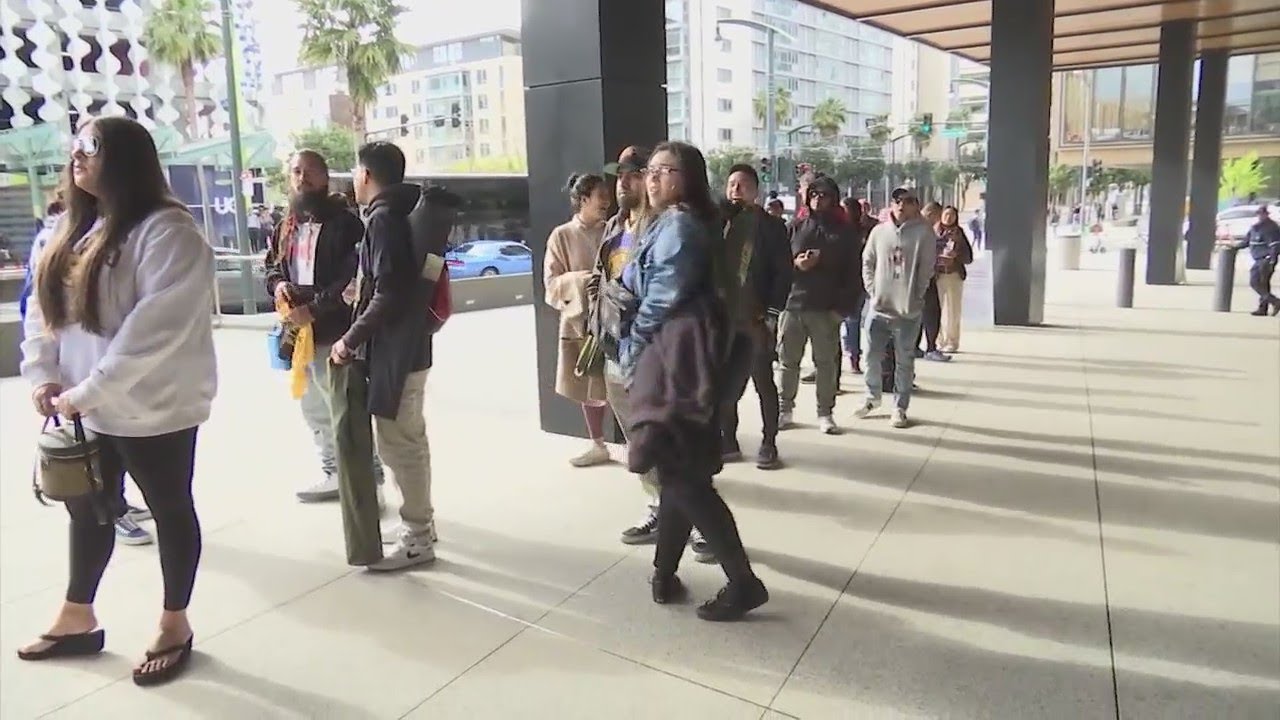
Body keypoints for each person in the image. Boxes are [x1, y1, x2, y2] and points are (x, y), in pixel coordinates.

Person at [18, 116, 216, 686]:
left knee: (169, 506)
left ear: (126, 160)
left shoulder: (169, 232)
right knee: (87, 508)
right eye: (75, 143)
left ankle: (174, 623)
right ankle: (77, 615)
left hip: (156, 409)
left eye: (91, 146)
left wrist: (82, 393)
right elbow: (42, 312)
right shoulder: (68, 227)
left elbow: (153, 334)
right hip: (84, 407)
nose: (76, 154)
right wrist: (42, 378)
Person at [621, 140, 768, 622]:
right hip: (687, 357)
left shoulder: (681, 225)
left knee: (682, 477)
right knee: (680, 474)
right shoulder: (673, 220)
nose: (654, 178)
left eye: (666, 170)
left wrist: (630, 350)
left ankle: (743, 582)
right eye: (652, 170)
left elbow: (661, 297)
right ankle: (664, 572)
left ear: (689, 178)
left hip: (677, 360)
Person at [330, 142, 438, 571]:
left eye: (356, 173)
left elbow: (391, 292)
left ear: (367, 174)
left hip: (396, 353)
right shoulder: (408, 209)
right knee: (410, 439)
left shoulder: (383, 219)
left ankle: (417, 536)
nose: (354, 181)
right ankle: (421, 526)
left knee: (400, 445)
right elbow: (395, 283)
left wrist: (349, 340)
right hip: (413, 348)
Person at [265, 150, 385, 504]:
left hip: (335, 331)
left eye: (311, 172)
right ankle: (333, 471)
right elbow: (271, 267)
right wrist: (279, 287)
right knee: (313, 407)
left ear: (325, 177)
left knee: (344, 407)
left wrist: (315, 309)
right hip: (297, 333)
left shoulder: (347, 224)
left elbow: (352, 278)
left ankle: (368, 479)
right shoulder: (285, 225)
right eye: (297, 172)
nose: (303, 179)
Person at [590, 146, 662, 546]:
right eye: (620, 175)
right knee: (637, 439)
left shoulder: (664, 228)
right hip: (615, 350)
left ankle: (697, 518)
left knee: (669, 439)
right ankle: (658, 506)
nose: (623, 182)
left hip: (652, 353)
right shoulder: (614, 226)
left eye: (632, 174)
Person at [718, 163, 791, 472]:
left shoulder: (771, 226)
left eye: (743, 185)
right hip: (722, 321)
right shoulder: (717, 223)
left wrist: (772, 313)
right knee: (725, 386)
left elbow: (783, 273)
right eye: (732, 184)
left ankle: (769, 441)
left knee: (763, 382)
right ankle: (728, 440)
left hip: (756, 318)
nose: (736, 190)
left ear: (756, 191)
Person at [777, 175, 861, 435]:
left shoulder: (844, 232)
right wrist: (797, 265)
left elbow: (853, 274)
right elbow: (778, 265)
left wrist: (842, 310)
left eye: (824, 195)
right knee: (788, 361)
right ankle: (785, 409)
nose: (818, 199)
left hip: (826, 310)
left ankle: (825, 412)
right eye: (813, 194)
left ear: (834, 199)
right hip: (793, 305)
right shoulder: (795, 226)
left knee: (825, 364)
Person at [544, 173, 611, 466]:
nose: (607, 201)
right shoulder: (561, 235)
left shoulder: (613, 230)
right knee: (588, 383)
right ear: (583, 199)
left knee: (621, 382)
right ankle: (597, 443)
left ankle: (635, 443)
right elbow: (551, 283)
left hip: (615, 316)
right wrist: (586, 281)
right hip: (580, 320)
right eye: (601, 196)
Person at [856, 188, 936, 429]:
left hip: (907, 310)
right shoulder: (879, 232)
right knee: (870, 355)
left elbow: (926, 269)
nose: (902, 205)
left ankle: (900, 407)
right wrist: (873, 290)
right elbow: (867, 261)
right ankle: (872, 397)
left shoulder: (924, 233)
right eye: (897, 200)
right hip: (879, 307)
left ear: (916, 205)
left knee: (904, 360)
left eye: (908, 201)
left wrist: (916, 296)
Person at [935, 205, 974, 352]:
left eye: (952, 215)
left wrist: (956, 256)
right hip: (937, 275)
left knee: (953, 311)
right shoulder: (933, 231)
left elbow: (968, 257)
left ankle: (952, 341)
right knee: (935, 310)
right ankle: (938, 341)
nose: (948, 217)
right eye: (946, 214)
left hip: (953, 275)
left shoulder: (959, 234)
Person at [916, 201, 949, 363]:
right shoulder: (924, 228)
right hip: (924, 276)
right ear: (930, 213)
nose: (938, 221)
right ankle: (930, 347)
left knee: (920, 313)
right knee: (932, 312)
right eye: (937, 217)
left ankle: (917, 346)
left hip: (923, 275)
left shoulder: (916, 226)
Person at [1234, 205, 1280, 316]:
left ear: (1266, 214)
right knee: (1262, 284)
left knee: (1256, 282)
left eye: (1262, 214)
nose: (1260, 216)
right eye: (1259, 214)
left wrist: (1272, 259)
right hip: (1258, 259)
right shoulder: (1255, 228)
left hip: (1266, 259)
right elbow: (1246, 241)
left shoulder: (1272, 228)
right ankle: (1263, 308)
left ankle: (1275, 302)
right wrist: (1234, 247)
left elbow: (1275, 245)